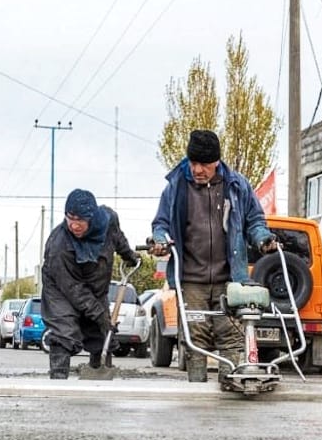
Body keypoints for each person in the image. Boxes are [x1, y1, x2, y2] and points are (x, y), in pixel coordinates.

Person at [149, 129, 277, 386]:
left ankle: (229, 385)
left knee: (230, 334)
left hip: (229, 276)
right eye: (193, 163)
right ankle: (196, 388)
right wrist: (160, 240)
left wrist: (263, 239)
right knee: (195, 336)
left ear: (216, 162)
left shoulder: (237, 185)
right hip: (191, 279)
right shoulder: (176, 187)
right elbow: (161, 223)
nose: (197, 169)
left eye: (204, 165)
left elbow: (254, 220)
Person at [41, 189, 138, 380]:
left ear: (92, 217)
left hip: (95, 287)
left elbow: (117, 237)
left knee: (103, 334)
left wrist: (129, 256)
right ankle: (58, 379)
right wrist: (100, 314)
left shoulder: (108, 219)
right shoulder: (59, 246)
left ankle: (99, 376)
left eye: (80, 220)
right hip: (61, 289)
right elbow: (74, 290)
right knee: (65, 331)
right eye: (70, 218)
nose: (74, 225)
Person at [86, 205, 142, 373]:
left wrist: (131, 257)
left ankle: (100, 365)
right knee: (92, 325)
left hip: (99, 288)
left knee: (103, 327)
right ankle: (97, 364)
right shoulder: (88, 233)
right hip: (83, 285)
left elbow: (122, 244)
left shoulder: (111, 230)